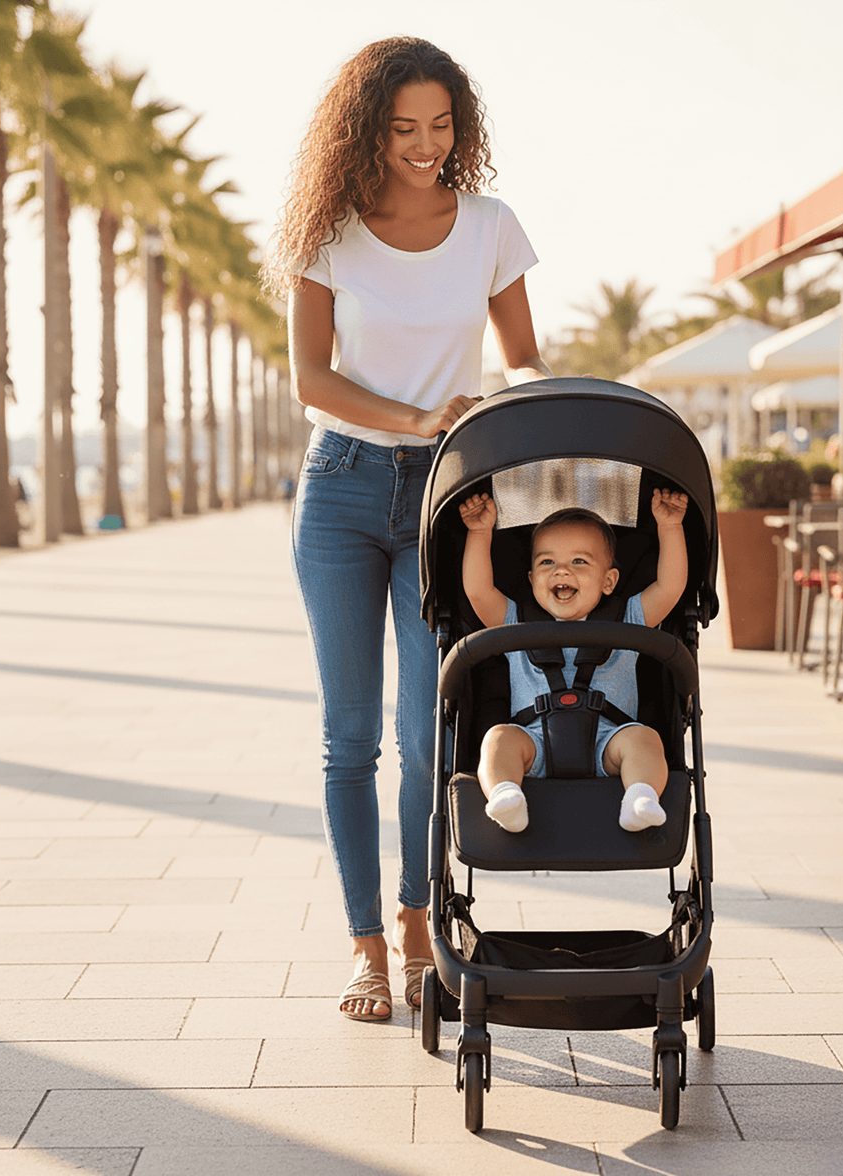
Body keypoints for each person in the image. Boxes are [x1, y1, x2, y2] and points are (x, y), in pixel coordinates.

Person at [263, 37, 552, 1023]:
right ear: (366, 131)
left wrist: (492, 411)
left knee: (428, 737)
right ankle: (365, 949)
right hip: (341, 490)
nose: (426, 147)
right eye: (403, 130)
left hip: (446, 498)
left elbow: (523, 362)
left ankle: (420, 922)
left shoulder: (491, 228)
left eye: (441, 127)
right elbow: (311, 380)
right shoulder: (326, 234)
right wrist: (413, 417)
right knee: (349, 741)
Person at [458, 490, 689, 833]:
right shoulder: (514, 621)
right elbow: (478, 592)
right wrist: (479, 534)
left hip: (610, 743)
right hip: (531, 742)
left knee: (645, 740)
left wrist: (670, 527)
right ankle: (506, 795)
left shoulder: (628, 618)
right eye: (546, 562)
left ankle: (640, 797)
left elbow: (670, 588)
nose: (561, 570)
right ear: (532, 579)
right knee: (497, 739)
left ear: (608, 581)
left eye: (579, 562)